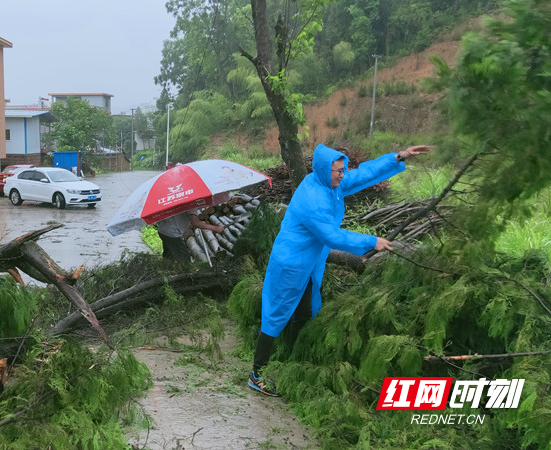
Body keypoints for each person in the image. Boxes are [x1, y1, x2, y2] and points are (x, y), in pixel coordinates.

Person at [248, 143, 431, 396]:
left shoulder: (331, 183)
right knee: (276, 314)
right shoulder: (312, 197)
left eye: (343, 170)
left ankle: (291, 363)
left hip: (311, 261)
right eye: (338, 171)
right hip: (291, 262)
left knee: (305, 312)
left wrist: (398, 157)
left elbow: (363, 175)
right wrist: (371, 241)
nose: (342, 175)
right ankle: (257, 374)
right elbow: (332, 237)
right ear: (325, 170)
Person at [156, 210, 225, 261]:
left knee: (170, 255)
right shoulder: (191, 204)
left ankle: (165, 271)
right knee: (184, 257)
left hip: (164, 230)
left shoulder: (187, 200)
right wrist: (215, 228)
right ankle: (183, 277)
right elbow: (196, 223)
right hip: (170, 233)